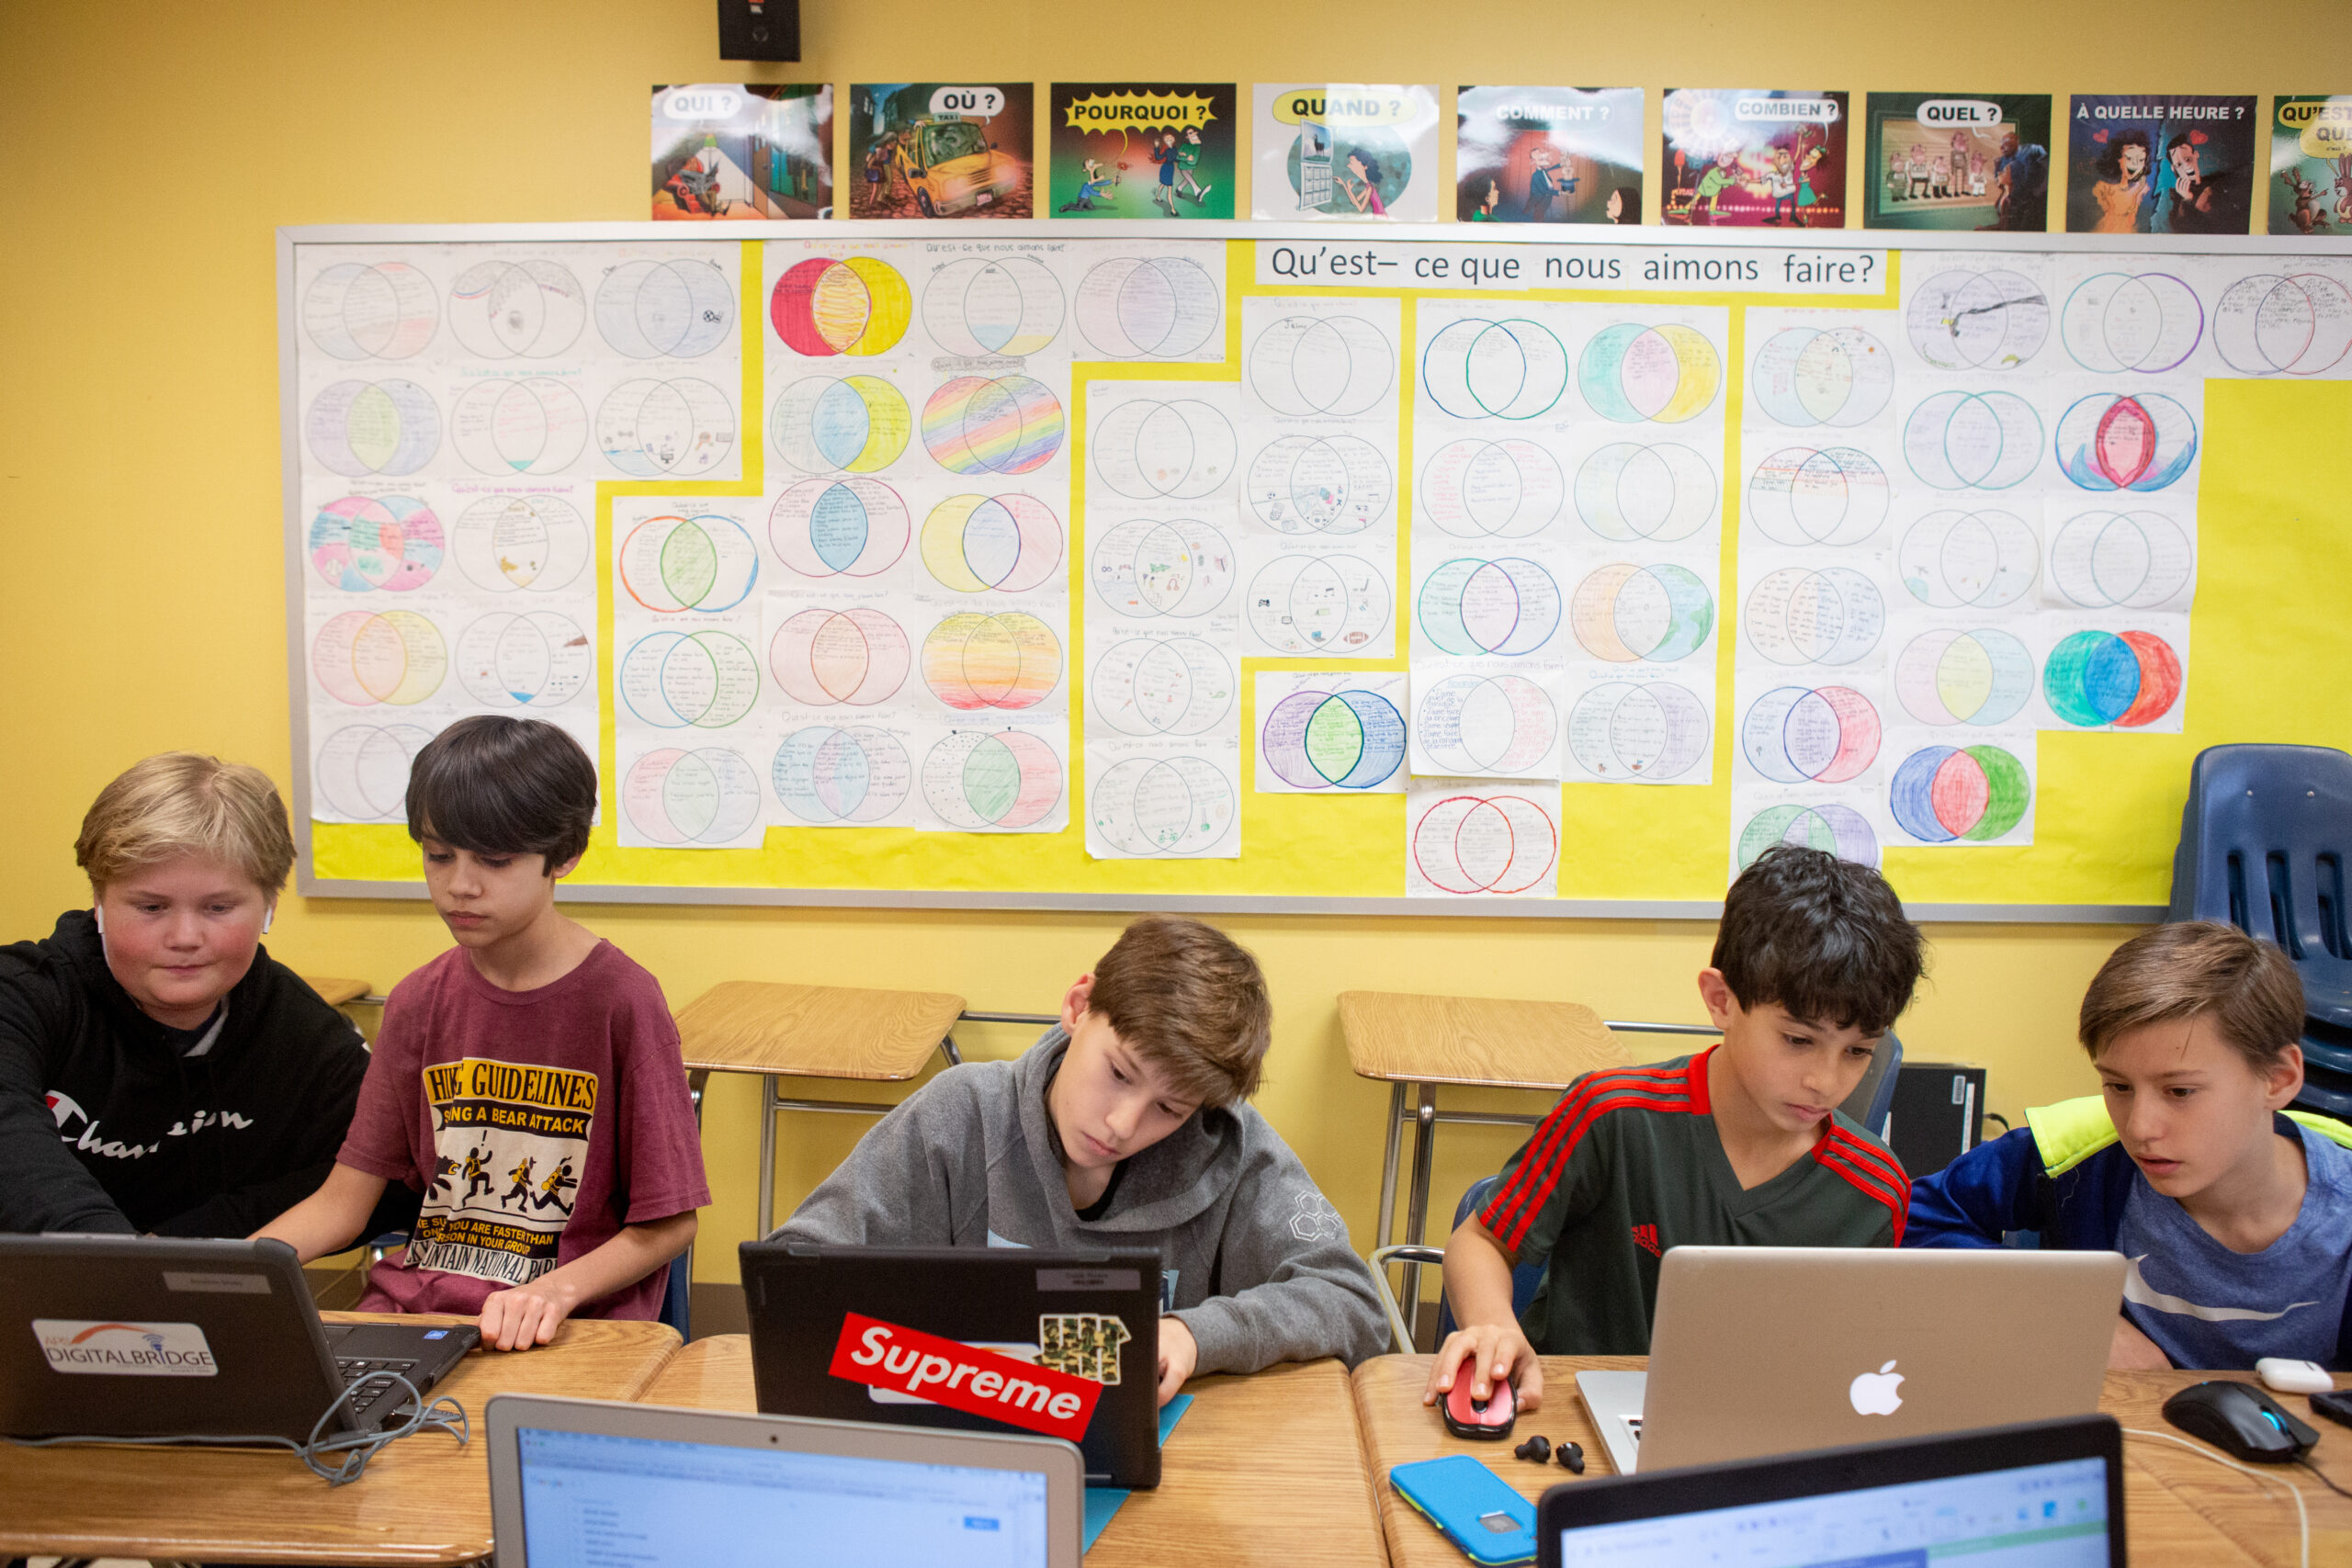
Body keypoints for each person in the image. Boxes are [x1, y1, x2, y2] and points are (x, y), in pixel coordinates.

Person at [778, 915, 1387, 1405]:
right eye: (1118, 1072)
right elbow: (790, 1275)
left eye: (1168, 1109)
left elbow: (1352, 1302)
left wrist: (1194, 1334)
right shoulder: (961, 1113)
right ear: (1078, 1006)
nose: (1122, 1125)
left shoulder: (1232, 1145)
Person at [256, 717, 707, 1351]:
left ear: (564, 855)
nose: (459, 885)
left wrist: (554, 1292)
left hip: (571, 1325)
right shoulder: (417, 1000)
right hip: (421, 1312)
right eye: (439, 855)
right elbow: (342, 1204)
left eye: (494, 860)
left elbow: (669, 1224)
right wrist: (230, 1275)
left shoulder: (622, 1000)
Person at [1423, 846, 1924, 1414]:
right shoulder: (1611, 1116)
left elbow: (1856, 1362)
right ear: (1721, 1000)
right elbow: (1482, 1240)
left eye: (1858, 1051)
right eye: (1797, 1040)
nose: (1825, 1082)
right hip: (1574, 1418)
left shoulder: (1875, 1188)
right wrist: (1493, 1326)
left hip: (1757, 1428)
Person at [1906, 922, 2352, 1371]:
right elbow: (1911, 1217)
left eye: (2180, 1091)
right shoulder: (2073, 1152)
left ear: (2279, 1079)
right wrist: (2071, 1314)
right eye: (2118, 1086)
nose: (2140, 1128)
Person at [0, 753, 410, 1240]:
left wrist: (185, 1246)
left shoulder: (307, 1034)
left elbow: (392, 1178)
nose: (185, 938)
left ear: (269, 907)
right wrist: (121, 1262)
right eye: (151, 907)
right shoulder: (21, 998)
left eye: (218, 908)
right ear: (99, 902)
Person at [2089, 130, 2153, 233]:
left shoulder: (2141, 189)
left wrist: (2137, 194)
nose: (2135, 164)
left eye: (2141, 159)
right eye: (2129, 158)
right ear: (2118, 158)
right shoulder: (2103, 188)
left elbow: (2132, 220)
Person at [1342, 148, 1387, 216]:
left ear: (1365, 166)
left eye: (1352, 163)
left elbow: (1361, 209)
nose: (1349, 166)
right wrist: (1346, 186)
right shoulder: (1368, 186)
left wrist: (1349, 189)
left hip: (1381, 217)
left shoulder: (1370, 188)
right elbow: (1354, 202)